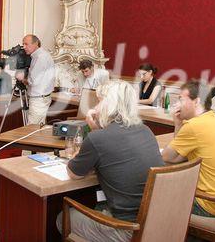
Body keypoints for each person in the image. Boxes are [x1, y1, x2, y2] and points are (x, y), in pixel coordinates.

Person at [57, 80, 164, 241]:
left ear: (109, 105)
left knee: (63, 217)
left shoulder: (97, 138)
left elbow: (73, 173)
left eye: (99, 101)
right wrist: (97, 131)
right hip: (156, 223)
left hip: (127, 230)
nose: (96, 107)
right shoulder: (146, 130)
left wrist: (93, 134)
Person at [162, 79, 215, 218]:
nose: (177, 104)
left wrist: (177, 123)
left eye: (181, 100)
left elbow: (166, 158)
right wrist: (179, 123)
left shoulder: (194, 125)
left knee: (157, 193)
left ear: (196, 102)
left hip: (207, 204)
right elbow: (178, 157)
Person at [18, 34, 55, 125]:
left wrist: (22, 79)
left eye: (26, 44)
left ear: (36, 43)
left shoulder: (40, 57)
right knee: (39, 129)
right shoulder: (41, 55)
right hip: (42, 98)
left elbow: (32, 81)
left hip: (38, 100)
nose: (24, 47)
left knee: (31, 129)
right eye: (23, 44)